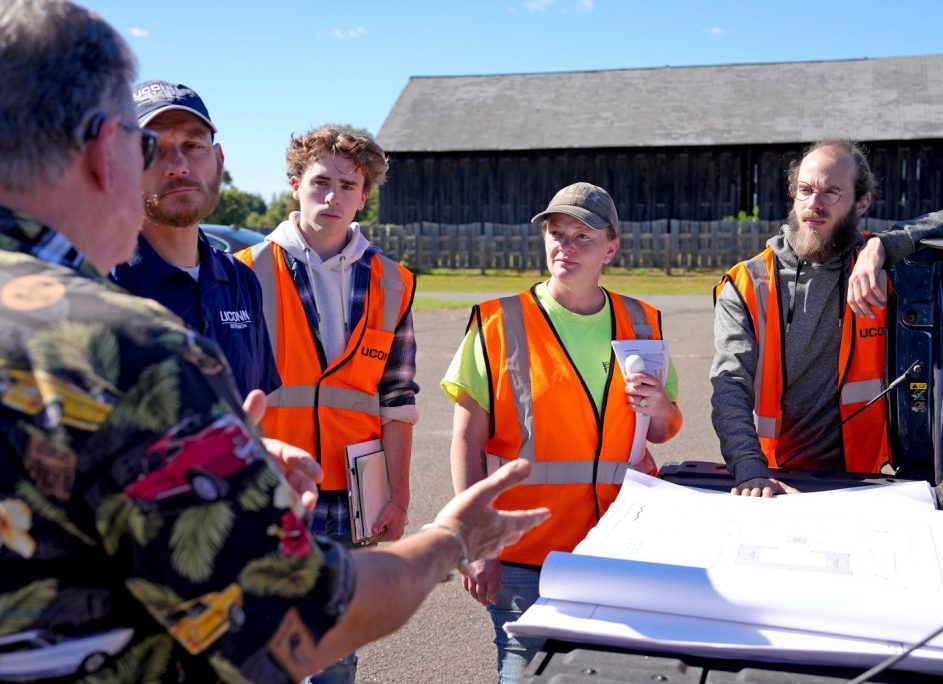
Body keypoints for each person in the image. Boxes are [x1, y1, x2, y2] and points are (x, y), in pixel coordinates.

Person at [0, 2, 548, 682]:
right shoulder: (126, 350)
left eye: (191, 147)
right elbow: (297, 618)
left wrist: (245, 453)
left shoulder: (346, 280)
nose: (166, 167)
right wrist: (451, 542)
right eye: (143, 146)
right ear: (100, 149)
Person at [443, 182, 684, 683]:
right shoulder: (497, 323)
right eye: (556, 234)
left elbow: (662, 430)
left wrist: (660, 404)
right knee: (524, 674)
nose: (565, 247)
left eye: (582, 236)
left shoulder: (641, 322)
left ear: (611, 249)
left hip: (618, 549)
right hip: (525, 555)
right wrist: (474, 542)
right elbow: (466, 440)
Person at [710, 139, 943, 497]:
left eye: (832, 192)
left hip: (870, 480)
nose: (814, 204)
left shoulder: (878, 262)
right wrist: (750, 470)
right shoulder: (744, 284)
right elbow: (729, 385)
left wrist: (884, 244)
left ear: (862, 202)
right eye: (805, 190)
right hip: (780, 474)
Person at [235, 125, 417, 683]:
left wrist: (399, 491)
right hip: (269, 486)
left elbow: (398, 398)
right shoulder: (242, 271)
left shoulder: (394, 282)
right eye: (320, 182)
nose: (332, 196)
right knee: (256, 635)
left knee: (337, 641)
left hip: (350, 493)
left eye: (348, 185)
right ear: (294, 185)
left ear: (364, 197)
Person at [110, 80, 280, 399]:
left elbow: (254, 410)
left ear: (218, 159)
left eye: (193, 146)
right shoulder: (94, 286)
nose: (178, 167)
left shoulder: (240, 281)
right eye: (154, 150)